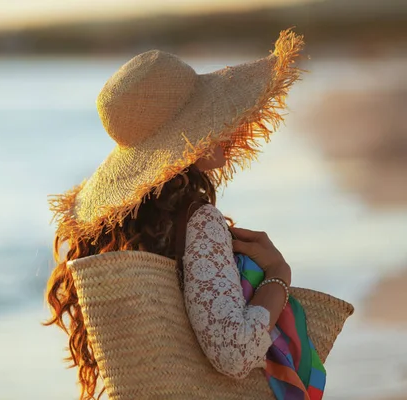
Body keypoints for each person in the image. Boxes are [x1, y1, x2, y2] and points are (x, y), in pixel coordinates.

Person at [45, 29, 309, 400]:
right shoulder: (198, 221)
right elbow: (234, 354)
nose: (225, 125)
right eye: (205, 117)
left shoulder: (121, 230)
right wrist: (279, 275)